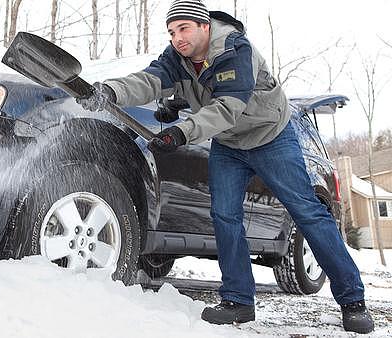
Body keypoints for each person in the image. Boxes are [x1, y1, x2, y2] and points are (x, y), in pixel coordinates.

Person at [77, 0, 374, 334]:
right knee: (225, 216)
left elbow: (227, 107)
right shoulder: (177, 55)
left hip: (271, 138)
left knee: (307, 213)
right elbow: (147, 81)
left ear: (205, 26)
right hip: (230, 145)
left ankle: (353, 301)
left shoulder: (235, 48)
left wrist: (181, 132)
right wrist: (109, 92)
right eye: (172, 32)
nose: (177, 38)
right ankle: (239, 302)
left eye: (184, 28)